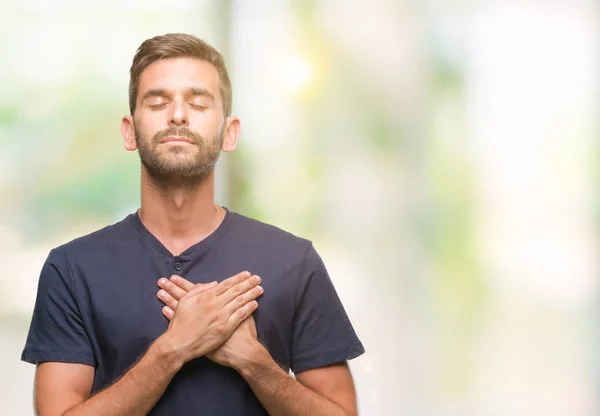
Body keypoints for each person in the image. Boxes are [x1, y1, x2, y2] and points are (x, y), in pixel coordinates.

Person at [21, 33, 364, 416]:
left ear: (229, 133)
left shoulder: (293, 261)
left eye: (198, 103)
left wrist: (254, 362)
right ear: (129, 130)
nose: (179, 115)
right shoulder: (72, 269)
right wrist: (173, 349)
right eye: (158, 101)